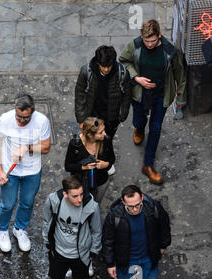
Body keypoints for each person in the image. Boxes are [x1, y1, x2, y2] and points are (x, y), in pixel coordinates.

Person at [119, 19, 187, 184]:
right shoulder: (135, 45)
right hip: (140, 93)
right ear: (141, 36)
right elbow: (123, 61)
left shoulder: (169, 50)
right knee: (139, 119)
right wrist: (137, 78)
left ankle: (148, 165)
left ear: (159, 36)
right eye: (146, 40)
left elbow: (180, 73)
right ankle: (139, 128)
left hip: (160, 95)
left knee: (155, 128)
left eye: (152, 40)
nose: (149, 44)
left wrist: (181, 96)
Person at [0, 94, 51, 253]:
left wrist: (27, 147)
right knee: (8, 204)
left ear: (33, 111)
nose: (21, 121)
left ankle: (19, 229)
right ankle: (2, 230)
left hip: (32, 171)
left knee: (27, 203)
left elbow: (46, 147)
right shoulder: (5, 119)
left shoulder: (42, 121)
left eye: (26, 118)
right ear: (14, 109)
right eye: (19, 116)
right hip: (10, 170)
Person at [101, 185, 171, 279]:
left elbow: (164, 226)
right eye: (131, 206)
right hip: (126, 260)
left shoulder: (153, 208)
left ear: (142, 197)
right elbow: (107, 240)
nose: (135, 210)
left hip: (147, 257)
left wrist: (164, 245)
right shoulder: (114, 216)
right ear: (123, 202)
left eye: (137, 205)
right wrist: (110, 264)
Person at [42, 175, 102, 279]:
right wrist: (47, 243)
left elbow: (96, 230)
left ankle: (73, 278)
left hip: (80, 254)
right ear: (65, 194)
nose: (79, 199)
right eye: (75, 196)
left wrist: (93, 251)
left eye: (81, 194)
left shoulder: (91, 206)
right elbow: (46, 221)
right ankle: (65, 278)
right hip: (59, 251)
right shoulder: (54, 200)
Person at [74, 45, 131, 176]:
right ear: (97, 62)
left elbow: (127, 94)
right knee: (90, 138)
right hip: (91, 114)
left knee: (107, 140)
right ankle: (90, 160)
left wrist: (123, 115)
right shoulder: (87, 71)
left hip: (111, 116)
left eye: (108, 66)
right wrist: (81, 118)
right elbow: (79, 94)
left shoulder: (122, 73)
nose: (105, 69)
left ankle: (107, 161)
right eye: (102, 66)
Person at [64, 117, 115, 203]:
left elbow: (112, 158)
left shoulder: (106, 140)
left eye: (104, 130)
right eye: (101, 132)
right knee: (80, 203)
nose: (105, 133)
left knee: (95, 204)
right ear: (90, 135)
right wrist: (84, 167)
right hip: (80, 184)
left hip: (100, 181)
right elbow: (68, 166)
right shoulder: (75, 144)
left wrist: (106, 165)